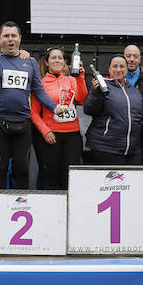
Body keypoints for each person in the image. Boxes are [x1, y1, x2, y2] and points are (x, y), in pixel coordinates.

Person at [0, 20, 68, 192]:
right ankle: (0, 211)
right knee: (0, 168)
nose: (10, 39)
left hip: (23, 122)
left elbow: (38, 91)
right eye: (6, 36)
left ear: (20, 38)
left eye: (14, 36)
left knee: (23, 168)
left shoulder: (30, 62)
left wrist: (54, 107)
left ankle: (22, 206)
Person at [30, 47, 88, 190]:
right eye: (53, 58)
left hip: (73, 136)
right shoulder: (40, 84)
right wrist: (45, 131)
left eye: (60, 58)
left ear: (64, 62)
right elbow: (34, 112)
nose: (57, 60)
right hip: (51, 136)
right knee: (50, 177)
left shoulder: (71, 80)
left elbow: (82, 98)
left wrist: (80, 77)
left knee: (70, 178)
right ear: (47, 62)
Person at [84, 54, 143, 165]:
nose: (118, 69)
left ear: (126, 69)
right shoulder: (102, 87)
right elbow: (89, 110)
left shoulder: (134, 91)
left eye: (122, 66)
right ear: (109, 69)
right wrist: (95, 94)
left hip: (133, 150)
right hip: (106, 148)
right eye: (115, 66)